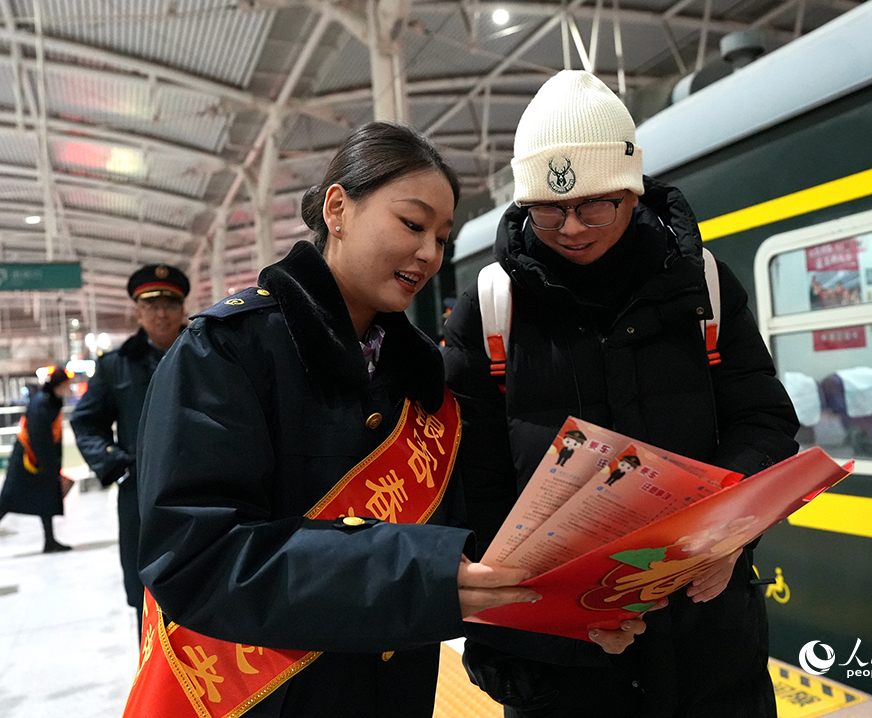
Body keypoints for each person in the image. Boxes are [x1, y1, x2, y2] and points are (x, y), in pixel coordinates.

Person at [122, 122, 538, 718]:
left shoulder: (424, 382)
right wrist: (412, 576)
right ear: (337, 208)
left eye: (442, 238)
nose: (429, 253)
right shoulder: (226, 354)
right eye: (413, 224)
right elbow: (194, 556)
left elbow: (471, 537)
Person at [443, 71, 800, 718]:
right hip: (566, 666)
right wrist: (533, 626)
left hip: (708, 648)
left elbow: (764, 420)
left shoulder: (702, 287)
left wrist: (729, 538)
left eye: (595, 204)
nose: (571, 227)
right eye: (547, 210)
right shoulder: (491, 310)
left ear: (633, 190)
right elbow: (476, 485)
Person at [70, 262, 190, 633]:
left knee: (210, 584)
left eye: (169, 304)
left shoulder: (211, 353)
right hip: (141, 500)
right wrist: (117, 465)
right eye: (151, 305)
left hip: (206, 489)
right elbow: (86, 421)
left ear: (183, 308)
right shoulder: (115, 366)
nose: (161, 313)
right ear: (137, 311)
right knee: (147, 599)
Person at [0, 365, 76, 553]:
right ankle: (50, 541)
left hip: (43, 460)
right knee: (8, 499)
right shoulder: (41, 403)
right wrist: (50, 466)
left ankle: (50, 541)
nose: (69, 389)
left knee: (46, 500)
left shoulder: (51, 401)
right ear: (61, 384)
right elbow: (38, 436)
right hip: (28, 459)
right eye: (68, 384)